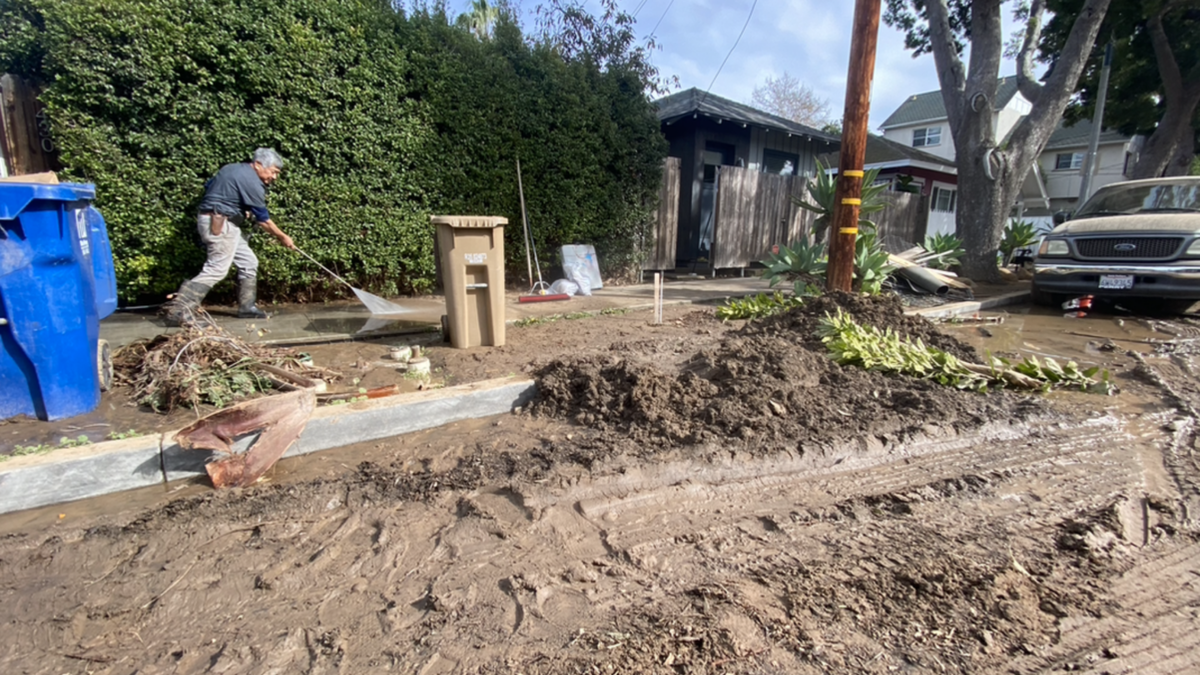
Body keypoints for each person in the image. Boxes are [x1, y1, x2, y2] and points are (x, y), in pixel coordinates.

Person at [164, 148, 296, 326]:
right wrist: (283, 237)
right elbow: (263, 220)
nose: (274, 177)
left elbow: (210, 186)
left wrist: (239, 207)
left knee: (249, 262)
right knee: (216, 269)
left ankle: (247, 308)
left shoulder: (231, 169)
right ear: (258, 165)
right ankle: (178, 312)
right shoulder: (252, 181)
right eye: (273, 172)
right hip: (221, 224)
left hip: (223, 222)